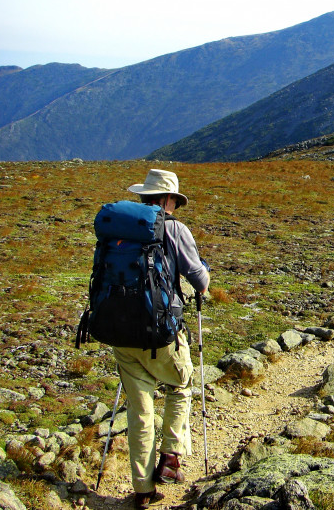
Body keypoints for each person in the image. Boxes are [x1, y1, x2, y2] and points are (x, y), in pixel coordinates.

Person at [114, 169, 209, 509]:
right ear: (169, 200)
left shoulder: (122, 229)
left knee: (139, 412)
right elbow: (198, 279)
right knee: (181, 383)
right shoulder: (174, 229)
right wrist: (205, 276)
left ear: (144, 197)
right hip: (159, 333)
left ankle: (142, 489)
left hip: (120, 333)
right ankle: (171, 457)